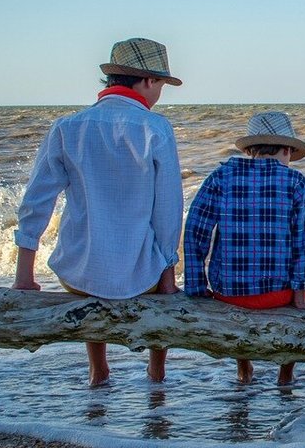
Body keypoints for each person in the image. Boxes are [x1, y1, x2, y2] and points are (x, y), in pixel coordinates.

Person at [12, 37, 184, 387]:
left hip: (77, 275)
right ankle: (156, 369)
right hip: (141, 277)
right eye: (162, 85)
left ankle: (98, 368)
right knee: (149, 259)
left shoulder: (67, 127)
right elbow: (168, 210)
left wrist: (24, 277)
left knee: (93, 260)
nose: (159, 94)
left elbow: (36, 202)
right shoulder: (155, 128)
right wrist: (168, 278)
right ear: (148, 81)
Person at [184, 111, 305, 384]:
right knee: (293, 309)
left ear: (249, 150)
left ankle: (244, 369)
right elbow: (302, 243)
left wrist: (197, 288)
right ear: (286, 149)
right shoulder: (295, 182)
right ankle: (285, 375)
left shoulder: (221, 176)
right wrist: (300, 298)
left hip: (229, 294)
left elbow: (195, 231)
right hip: (278, 296)